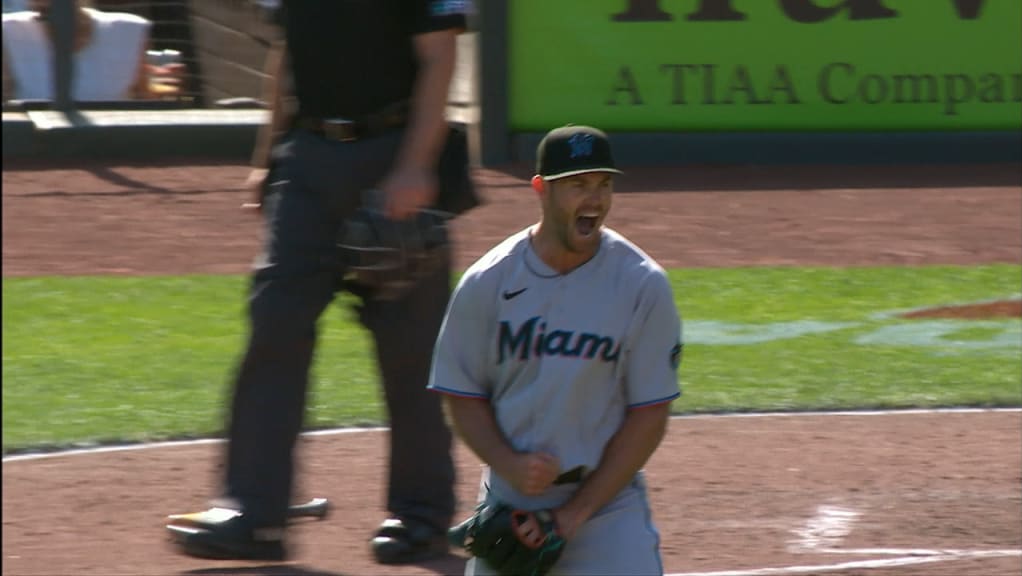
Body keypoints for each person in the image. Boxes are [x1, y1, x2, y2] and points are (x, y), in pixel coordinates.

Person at [164, 0, 477, 565]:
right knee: (275, 323)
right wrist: (267, 159)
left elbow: (439, 58)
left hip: (392, 153)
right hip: (307, 161)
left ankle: (420, 517)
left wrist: (416, 165)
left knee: (410, 349)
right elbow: (287, 55)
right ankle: (255, 514)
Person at [429, 125, 683, 574]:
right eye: (578, 185)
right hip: (512, 508)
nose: (595, 199)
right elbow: (463, 395)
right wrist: (508, 462)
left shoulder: (641, 284)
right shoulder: (488, 282)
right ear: (541, 190)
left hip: (607, 510)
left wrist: (572, 515)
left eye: (603, 184)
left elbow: (649, 416)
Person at [1, 0, 181, 102]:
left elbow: (147, 100)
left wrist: (167, 92)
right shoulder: (10, 31)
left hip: (116, 148)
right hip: (43, 154)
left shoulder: (127, 30)